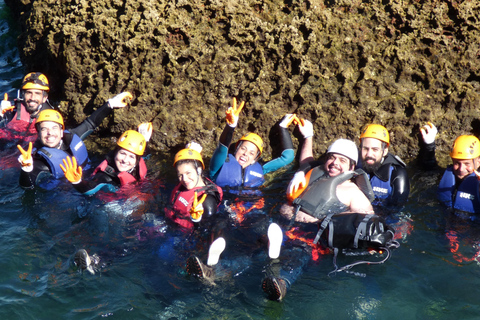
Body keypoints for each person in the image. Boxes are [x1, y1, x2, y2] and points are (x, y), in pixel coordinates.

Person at [262, 128, 379, 301]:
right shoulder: (315, 174)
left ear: (352, 167)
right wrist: (308, 136)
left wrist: (373, 244)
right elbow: (305, 161)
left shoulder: (353, 193)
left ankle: (281, 283)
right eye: (331, 157)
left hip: (311, 237)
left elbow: (369, 221)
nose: (334, 162)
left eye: (342, 160)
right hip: (285, 225)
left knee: (298, 256)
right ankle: (219, 269)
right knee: (257, 244)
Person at [17, 92, 132, 189]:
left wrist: (110, 104)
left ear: (62, 131)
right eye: (44, 129)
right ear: (39, 133)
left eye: (54, 128)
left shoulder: (72, 136)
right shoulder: (40, 161)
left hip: (90, 178)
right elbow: (27, 187)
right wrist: (26, 170)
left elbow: (90, 123)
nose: (50, 133)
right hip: (66, 192)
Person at [209, 97, 297, 190]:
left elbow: (288, 157)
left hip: (249, 202)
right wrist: (231, 126)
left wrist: (283, 128)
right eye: (243, 148)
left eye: (251, 153)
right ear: (236, 149)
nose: (245, 154)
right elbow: (222, 148)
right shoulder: (219, 165)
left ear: (255, 158)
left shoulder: (261, 169)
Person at [60, 124, 152, 195]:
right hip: (111, 202)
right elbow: (89, 189)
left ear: (136, 160)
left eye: (131, 157)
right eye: (122, 153)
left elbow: (145, 154)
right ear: (115, 153)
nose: (125, 160)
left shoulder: (137, 161)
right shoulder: (105, 176)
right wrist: (77, 183)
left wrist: (144, 140)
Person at [420, 122, 480, 214]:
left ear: (478, 160)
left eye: (467, 163)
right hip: (446, 221)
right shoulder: (448, 174)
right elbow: (429, 170)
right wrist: (429, 146)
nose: (461, 169)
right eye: (457, 163)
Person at [358, 124, 410, 207]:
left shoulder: (397, 173)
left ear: (385, 150)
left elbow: (398, 207)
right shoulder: (353, 165)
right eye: (365, 148)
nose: (369, 154)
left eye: (375, 149)